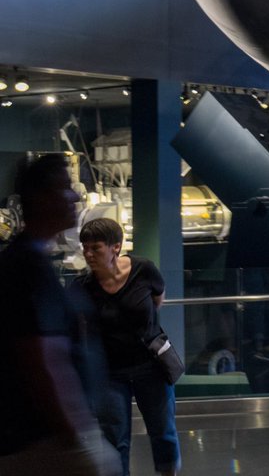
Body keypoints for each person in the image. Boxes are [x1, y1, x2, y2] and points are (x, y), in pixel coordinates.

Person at [0, 153, 120, 476]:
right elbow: (40, 358)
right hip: (42, 440)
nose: (75, 196)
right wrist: (72, 433)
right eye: (65, 187)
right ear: (40, 199)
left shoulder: (30, 262)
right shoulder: (28, 268)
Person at [72, 218, 179, 476]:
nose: (88, 254)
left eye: (95, 248)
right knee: (114, 438)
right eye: (85, 247)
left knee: (163, 432)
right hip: (110, 373)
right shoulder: (82, 287)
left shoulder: (144, 270)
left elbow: (157, 298)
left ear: (115, 247)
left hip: (151, 367)